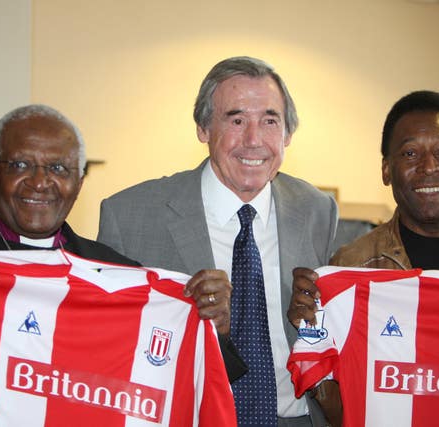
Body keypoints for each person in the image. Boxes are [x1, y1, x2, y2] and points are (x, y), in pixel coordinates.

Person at [0, 104, 235, 426]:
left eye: (58, 168)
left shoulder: (117, 275)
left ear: (79, 183)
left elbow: (185, 382)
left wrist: (213, 327)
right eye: (19, 165)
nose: (40, 182)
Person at [97, 56, 338, 426]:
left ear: (288, 134)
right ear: (203, 127)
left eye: (270, 121)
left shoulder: (317, 211)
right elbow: (109, 347)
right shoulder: (129, 216)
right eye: (236, 120)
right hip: (185, 417)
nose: (253, 140)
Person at [288, 90, 439, 425]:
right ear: (386, 170)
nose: (429, 167)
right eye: (410, 153)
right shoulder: (352, 268)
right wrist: (314, 331)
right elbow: (342, 411)